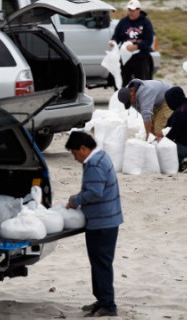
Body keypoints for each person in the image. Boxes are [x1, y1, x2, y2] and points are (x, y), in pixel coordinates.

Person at [65, 131, 123, 317]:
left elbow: (95, 192)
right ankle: (101, 300)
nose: (75, 158)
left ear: (83, 148)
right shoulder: (100, 156)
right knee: (98, 262)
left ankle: (108, 305)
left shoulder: (94, 164)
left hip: (103, 223)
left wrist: (75, 200)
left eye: (75, 153)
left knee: (101, 263)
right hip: (105, 220)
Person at [111, 0, 155, 86]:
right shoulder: (123, 22)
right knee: (124, 83)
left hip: (141, 58)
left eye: (133, 10)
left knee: (143, 83)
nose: (131, 12)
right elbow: (116, 36)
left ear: (139, 10)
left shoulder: (146, 22)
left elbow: (149, 41)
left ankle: (142, 98)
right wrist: (113, 42)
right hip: (125, 58)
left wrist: (136, 47)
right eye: (129, 10)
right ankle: (124, 98)